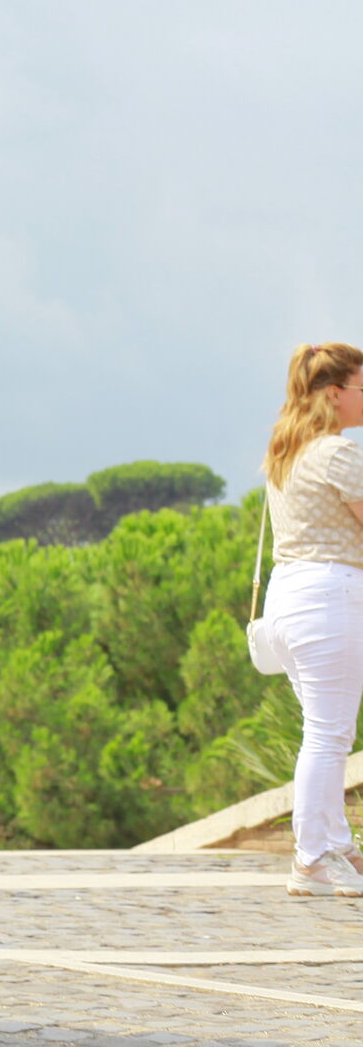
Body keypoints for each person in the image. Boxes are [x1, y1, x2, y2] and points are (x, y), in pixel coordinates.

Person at [260, 342, 363, 898]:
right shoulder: (336, 453)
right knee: (328, 735)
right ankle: (313, 857)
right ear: (334, 392)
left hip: (289, 600)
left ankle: (334, 846)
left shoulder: (286, 451)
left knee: (323, 732)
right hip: (329, 596)